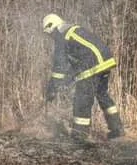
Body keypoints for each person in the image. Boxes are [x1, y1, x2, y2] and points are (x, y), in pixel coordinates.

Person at [42, 13, 124, 141]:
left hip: (93, 66)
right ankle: (117, 129)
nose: (51, 37)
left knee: (82, 100)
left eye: (50, 34)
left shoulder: (62, 36)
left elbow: (59, 67)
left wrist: (52, 88)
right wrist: (67, 80)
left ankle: (79, 135)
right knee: (102, 95)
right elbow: (77, 60)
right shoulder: (75, 30)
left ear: (52, 27)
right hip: (106, 62)